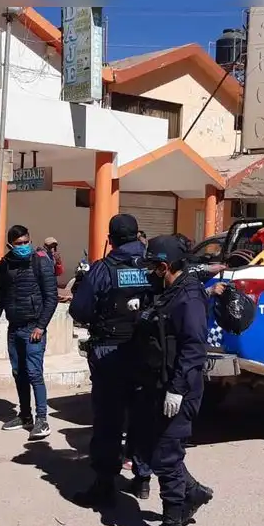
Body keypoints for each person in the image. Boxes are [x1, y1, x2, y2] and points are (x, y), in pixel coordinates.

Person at [131, 234, 215, 526]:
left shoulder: (188, 298)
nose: (150, 272)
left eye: (153, 266)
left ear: (165, 266)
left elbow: (194, 348)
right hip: (160, 384)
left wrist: (177, 390)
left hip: (180, 389)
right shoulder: (169, 290)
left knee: (165, 456)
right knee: (154, 447)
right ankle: (192, 492)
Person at [68, 214, 156, 506]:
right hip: (146, 351)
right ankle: (142, 478)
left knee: (109, 420)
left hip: (109, 351)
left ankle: (105, 484)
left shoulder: (102, 269)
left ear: (111, 240)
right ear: (137, 237)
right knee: (143, 417)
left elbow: (80, 310)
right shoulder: (153, 266)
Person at [0, 225, 58, 438]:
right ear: (10, 245)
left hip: (33, 328)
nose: (23, 247)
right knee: (19, 373)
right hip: (14, 328)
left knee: (35, 373)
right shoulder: (5, 263)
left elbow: (51, 297)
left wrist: (40, 326)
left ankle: (42, 419)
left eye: (26, 242)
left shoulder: (40, 261)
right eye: (18, 244)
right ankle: (25, 415)